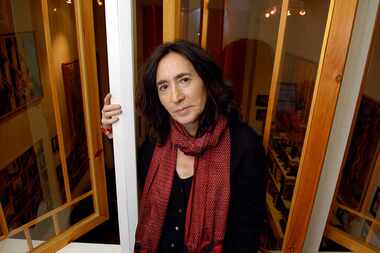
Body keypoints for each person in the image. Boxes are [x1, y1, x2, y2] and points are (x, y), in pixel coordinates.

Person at [101, 40, 266, 253]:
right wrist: (116, 133)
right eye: (164, 87)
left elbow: (247, 236)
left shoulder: (245, 146)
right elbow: (126, 186)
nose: (176, 97)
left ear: (206, 79)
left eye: (184, 80)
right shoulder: (157, 140)